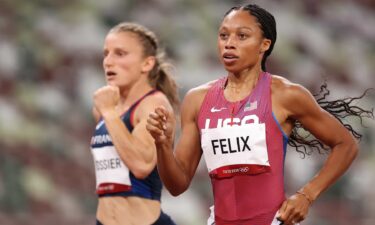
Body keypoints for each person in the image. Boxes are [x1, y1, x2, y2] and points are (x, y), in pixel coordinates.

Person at [146, 4, 372, 225]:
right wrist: (163, 146)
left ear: (264, 44)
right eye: (223, 36)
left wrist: (306, 195)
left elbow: (346, 145)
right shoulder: (197, 100)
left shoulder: (285, 94)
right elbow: (178, 185)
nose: (229, 44)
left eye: (242, 36)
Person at [90, 22, 178, 225]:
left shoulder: (154, 104)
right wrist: (109, 112)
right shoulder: (104, 108)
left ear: (147, 64)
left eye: (120, 54)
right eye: (106, 53)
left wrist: (110, 113)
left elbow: (141, 165)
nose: (108, 62)